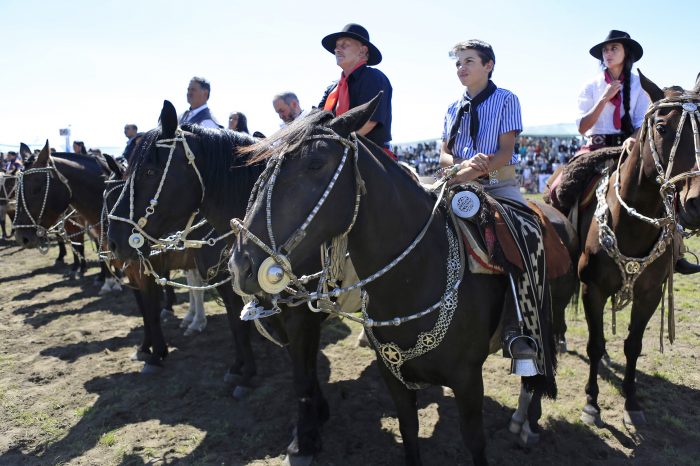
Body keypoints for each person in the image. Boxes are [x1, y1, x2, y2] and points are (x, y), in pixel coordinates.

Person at [439, 39, 537, 374]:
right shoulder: (452, 108)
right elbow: (444, 154)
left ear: (489, 65)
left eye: (468, 61)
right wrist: (462, 169)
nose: (461, 69)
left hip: (500, 184)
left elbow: (506, 153)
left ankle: (519, 326)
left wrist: (480, 169)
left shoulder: (507, 99)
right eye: (457, 63)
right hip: (458, 183)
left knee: (523, 237)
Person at [318, 23, 394, 157]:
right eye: (337, 46)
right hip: (335, 156)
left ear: (363, 51)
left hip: (371, 157)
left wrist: (339, 145)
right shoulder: (332, 89)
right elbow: (318, 122)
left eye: (344, 45)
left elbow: (370, 121)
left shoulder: (373, 77)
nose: (337, 49)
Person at [576, 30, 649, 154]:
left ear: (626, 53)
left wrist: (633, 138)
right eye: (605, 50)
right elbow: (582, 128)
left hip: (628, 149)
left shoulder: (639, 85)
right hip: (593, 150)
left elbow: (641, 123)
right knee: (570, 173)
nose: (608, 53)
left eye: (614, 48)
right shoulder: (590, 86)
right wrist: (604, 99)